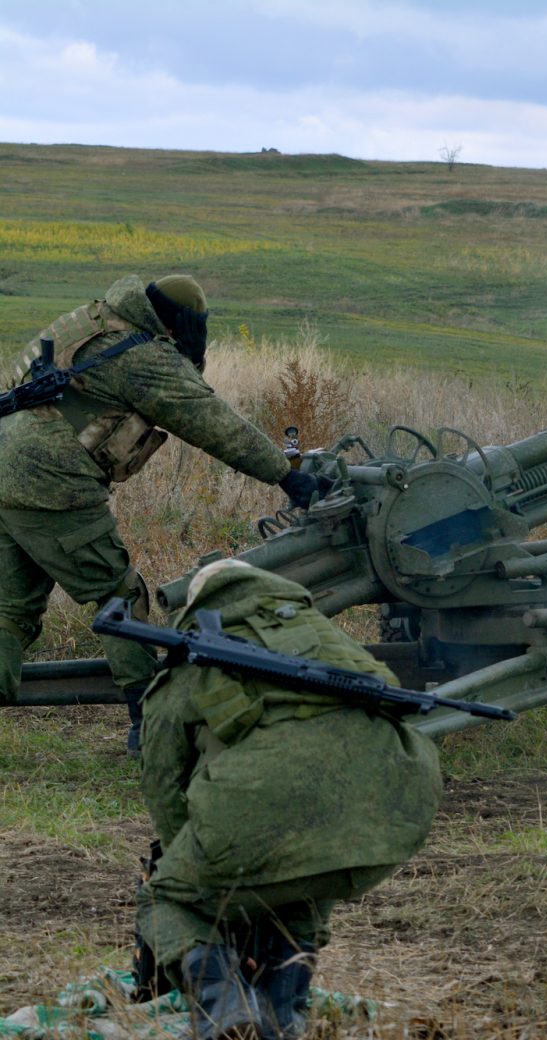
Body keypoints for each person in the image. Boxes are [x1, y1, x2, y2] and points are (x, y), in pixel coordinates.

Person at [0, 274, 324, 749]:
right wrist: (286, 474)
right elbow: (213, 423)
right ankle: (146, 722)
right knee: (118, 594)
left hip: (6, 467)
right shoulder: (143, 355)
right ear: (180, 324)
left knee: (9, 609)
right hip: (50, 481)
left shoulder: (92, 320)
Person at [135, 559, 441, 1040]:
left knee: (166, 900)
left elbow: (163, 783)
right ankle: (285, 1011)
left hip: (265, 801)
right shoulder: (327, 642)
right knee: (306, 872)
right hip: (398, 805)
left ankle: (225, 1008)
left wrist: (201, 865)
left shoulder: (194, 660)